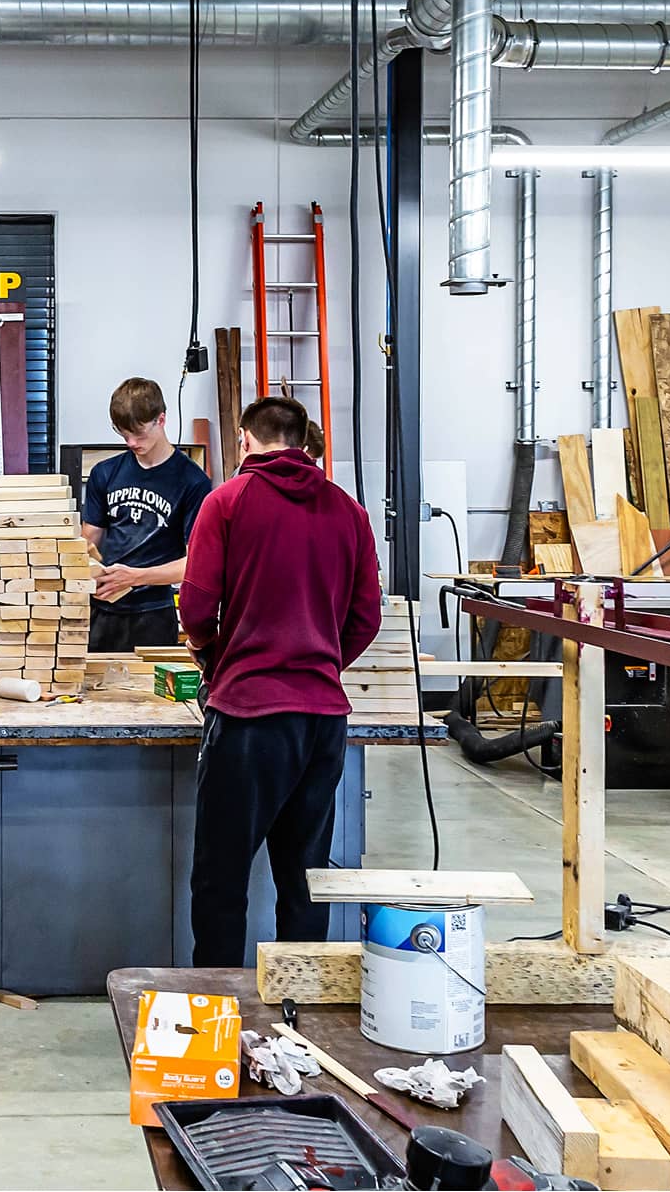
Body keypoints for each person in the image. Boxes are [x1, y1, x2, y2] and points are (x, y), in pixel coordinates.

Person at [179, 395, 381, 967]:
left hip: (247, 719)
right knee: (304, 877)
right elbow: (368, 614)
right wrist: (321, 666)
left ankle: (218, 1008)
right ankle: (296, 1015)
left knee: (221, 876)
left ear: (245, 440)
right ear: (303, 443)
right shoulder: (349, 510)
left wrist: (213, 655)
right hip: (322, 722)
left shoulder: (227, 501)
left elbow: (196, 606)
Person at [81, 378, 215, 653]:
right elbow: (87, 543)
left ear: (161, 419)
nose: (131, 443)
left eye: (139, 434)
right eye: (123, 434)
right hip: (101, 612)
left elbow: (195, 564)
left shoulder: (192, 482)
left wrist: (135, 577)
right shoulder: (104, 473)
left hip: (153, 614)